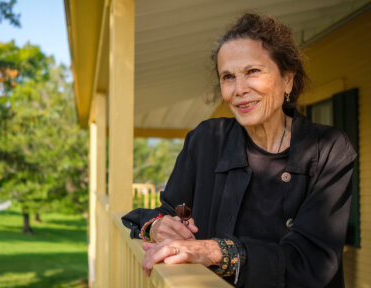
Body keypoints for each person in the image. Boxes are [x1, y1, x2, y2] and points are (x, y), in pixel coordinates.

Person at [121, 13, 357, 287]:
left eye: (253, 71)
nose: (239, 89)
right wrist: (160, 226)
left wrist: (216, 251)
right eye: (228, 76)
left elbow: (310, 260)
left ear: (288, 80)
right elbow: (175, 208)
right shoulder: (206, 139)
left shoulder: (329, 149)